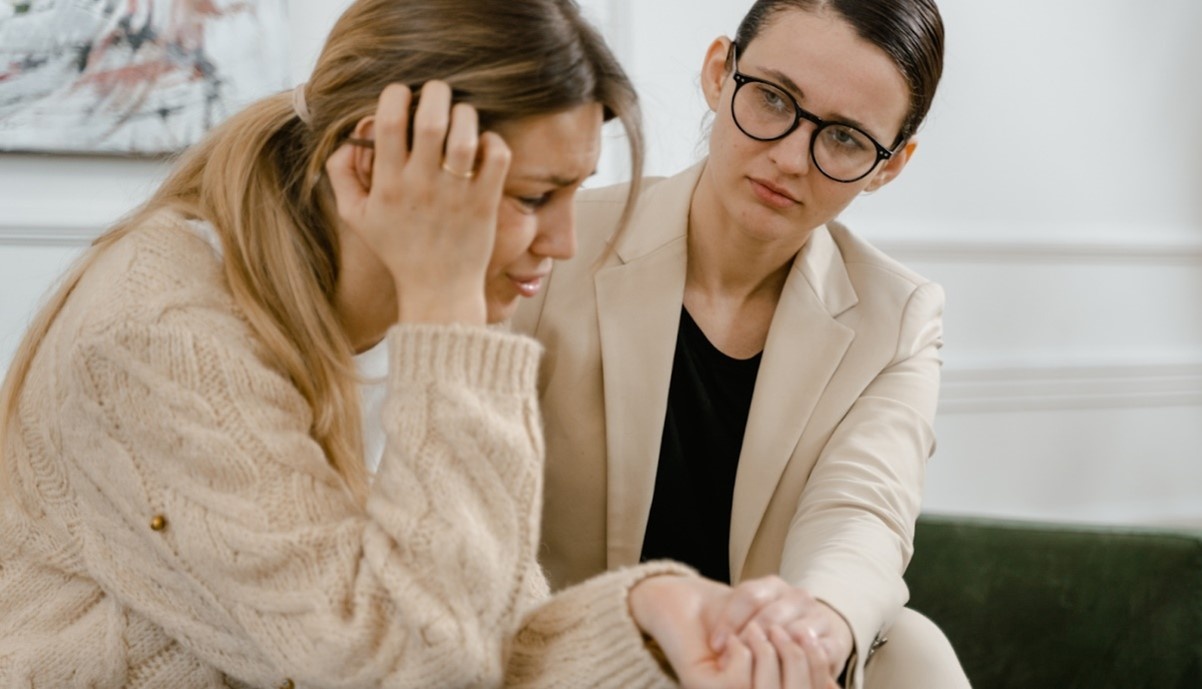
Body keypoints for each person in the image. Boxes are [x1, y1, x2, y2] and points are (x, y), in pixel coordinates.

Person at [0, 1, 840, 687]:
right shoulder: (164, 336)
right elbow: (411, 666)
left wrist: (654, 611)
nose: (561, 241)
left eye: (571, 194)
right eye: (534, 196)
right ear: (374, 164)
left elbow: (473, 627)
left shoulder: (415, 308)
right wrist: (450, 318)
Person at [510, 0, 970, 686]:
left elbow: (863, 513)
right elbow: (471, 520)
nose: (788, 157)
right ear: (719, 72)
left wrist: (810, 630)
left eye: (844, 138)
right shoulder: (554, 244)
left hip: (762, 669)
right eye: (774, 99)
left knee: (912, 648)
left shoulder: (896, 317)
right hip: (571, 657)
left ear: (889, 165)